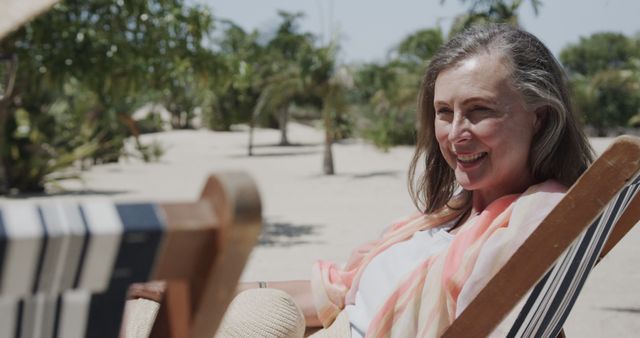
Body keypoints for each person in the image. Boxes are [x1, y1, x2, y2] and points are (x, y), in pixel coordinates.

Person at [128, 23, 594, 338]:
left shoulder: (540, 216)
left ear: (540, 119)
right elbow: (331, 294)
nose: (455, 134)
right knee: (147, 308)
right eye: (443, 112)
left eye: (480, 111)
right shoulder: (441, 220)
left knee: (256, 318)